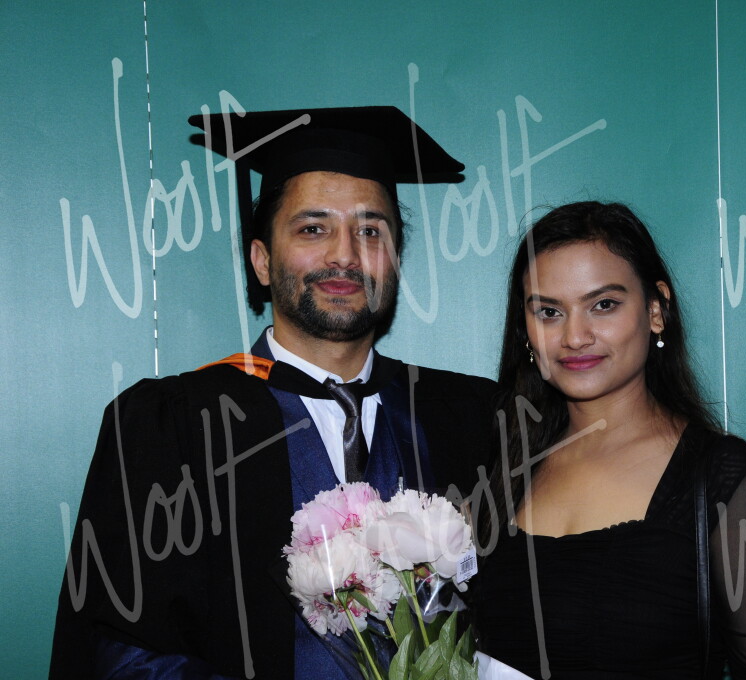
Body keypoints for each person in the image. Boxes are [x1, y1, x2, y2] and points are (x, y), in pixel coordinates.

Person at [50, 107, 496, 679]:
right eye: (313, 229)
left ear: (394, 261)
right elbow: (120, 653)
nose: (344, 255)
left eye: (370, 231)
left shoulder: (467, 417)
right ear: (261, 260)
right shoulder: (175, 425)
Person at [470, 202, 746, 679]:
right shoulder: (499, 465)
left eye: (603, 305)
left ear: (655, 309)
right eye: (549, 312)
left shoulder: (723, 479)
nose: (575, 336)